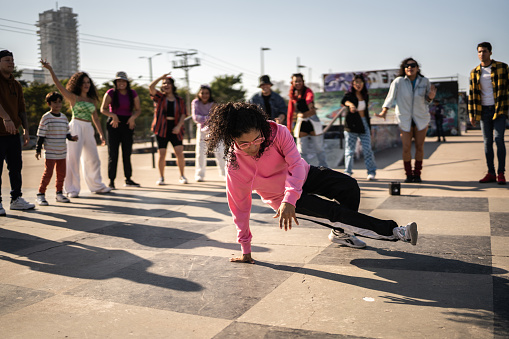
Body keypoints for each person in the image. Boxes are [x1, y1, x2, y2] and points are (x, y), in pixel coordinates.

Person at [206, 102, 418, 264]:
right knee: (333, 213)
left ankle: (340, 234)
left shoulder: (277, 132)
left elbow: (296, 165)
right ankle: (396, 232)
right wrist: (246, 249)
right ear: (232, 140)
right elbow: (239, 207)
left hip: (303, 176)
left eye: (257, 139)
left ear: (262, 130)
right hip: (280, 199)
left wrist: (292, 197)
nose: (252, 147)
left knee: (348, 185)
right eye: (245, 144)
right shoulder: (235, 166)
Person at [41, 60, 112, 197]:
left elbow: (96, 118)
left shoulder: (92, 100)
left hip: (88, 128)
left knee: (93, 158)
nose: (86, 85)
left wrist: (101, 134)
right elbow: (59, 86)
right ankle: (72, 189)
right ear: (78, 84)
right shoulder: (73, 97)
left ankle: (97, 185)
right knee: (73, 158)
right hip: (76, 126)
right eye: (84, 82)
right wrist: (50, 69)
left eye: (88, 82)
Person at [378, 58, 436, 183]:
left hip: (421, 118)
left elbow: (427, 100)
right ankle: (409, 175)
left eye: (413, 65)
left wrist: (430, 97)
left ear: (417, 67)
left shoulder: (424, 81)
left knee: (420, 147)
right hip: (404, 119)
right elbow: (390, 97)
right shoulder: (398, 81)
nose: (410, 67)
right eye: (407, 66)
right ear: (404, 69)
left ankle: (418, 174)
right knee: (406, 148)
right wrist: (384, 110)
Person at [0, 50, 35, 215]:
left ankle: (16, 199)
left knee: (16, 168)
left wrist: (26, 130)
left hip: (13, 135)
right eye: (7, 60)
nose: (11, 63)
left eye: (12, 60)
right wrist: (6, 118)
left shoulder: (16, 85)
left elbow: (22, 109)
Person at [468, 42, 507, 185]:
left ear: (490, 52)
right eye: (479, 52)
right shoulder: (474, 72)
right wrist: (472, 114)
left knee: (499, 140)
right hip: (483, 110)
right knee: (487, 142)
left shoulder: (502, 68)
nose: (481, 54)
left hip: (499, 109)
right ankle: (491, 173)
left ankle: (501, 173)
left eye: (484, 51)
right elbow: (472, 95)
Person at [35, 91, 79, 205]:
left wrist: (72, 138)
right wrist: (38, 149)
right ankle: (40, 194)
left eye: (59, 102)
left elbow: (66, 133)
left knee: (61, 174)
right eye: (55, 102)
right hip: (50, 152)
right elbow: (41, 135)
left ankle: (59, 193)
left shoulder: (64, 117)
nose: (58, 105)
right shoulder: (46, 117)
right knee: (48, 173)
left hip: (62, 152)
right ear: (49, 104)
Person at [100, 71, 141, 189]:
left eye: (123, 81)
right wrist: (113, 115)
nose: (121, 83)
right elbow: (103, 109)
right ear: (116, 82)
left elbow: (138, 109)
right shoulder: (111, 93)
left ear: (127, 82)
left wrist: (133, 118)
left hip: (128, 123)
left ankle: (128, 178)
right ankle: (111, 181)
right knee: (113, 153)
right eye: (119, 81)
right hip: (114, 124)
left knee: (127, 153)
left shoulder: (132, 93)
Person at [149, 73, 188, 185]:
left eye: (168, 83)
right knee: (162, 153)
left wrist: (178, 126)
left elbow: (183, 114)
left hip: (175, 128)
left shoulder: (179, 99)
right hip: (161, 128)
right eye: (164, 83)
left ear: (172, 85)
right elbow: (151, 87)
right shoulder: (159, 97)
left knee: (179, 152)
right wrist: (161, 77)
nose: (166, 85)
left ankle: (182, 176)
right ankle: (161, 177)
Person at [287, 73, 328, 167]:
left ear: (303, 81)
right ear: (292, 83)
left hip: (313, 121)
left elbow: (310, 96)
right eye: (295, 81)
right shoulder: (292, 97)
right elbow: (290, 113)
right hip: (301, 122)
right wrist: (289, 129)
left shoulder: (308, 91)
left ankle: (325, 169)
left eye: (299, 81)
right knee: (301, 151)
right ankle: (305, 172)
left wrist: (308, 102)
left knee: (319, 148)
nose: (298, 83)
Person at [341, 74, 377, 180]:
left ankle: (371, 171)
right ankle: (348, 172)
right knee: (350, 150)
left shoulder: (365, 95)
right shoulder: (349, 95)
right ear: (352, 84)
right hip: (351, 125)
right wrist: (350, 105)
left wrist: (368, 126)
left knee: (367, 149)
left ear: (363, 84)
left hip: (363, 123)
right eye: (356, 82)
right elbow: (344, 101)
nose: (358, 84)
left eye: (360, 82)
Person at [191, 84, 225, 182]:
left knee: (220, 151)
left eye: (207, 93)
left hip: (214, 130)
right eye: (202, 93)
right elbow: (195, 117)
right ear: (199, 93)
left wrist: (205, 118)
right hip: (201, 131)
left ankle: (224, 173)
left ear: (210, 94)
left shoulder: (214, 103)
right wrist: (209, 118)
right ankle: (199, 174)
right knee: (200, 153)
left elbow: (216, 117)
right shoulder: (195, 102)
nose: (205, 95)